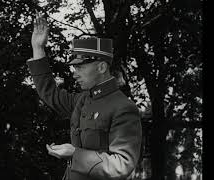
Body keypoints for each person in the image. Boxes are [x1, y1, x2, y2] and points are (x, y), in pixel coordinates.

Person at [26, 13, 142, 180]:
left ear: (102, 67)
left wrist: (75, 154)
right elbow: (50, 93)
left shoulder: (123, 107)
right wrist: (38, 48)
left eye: (80, 68)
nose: (75, 74)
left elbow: (122, 165)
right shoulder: (82, 99)